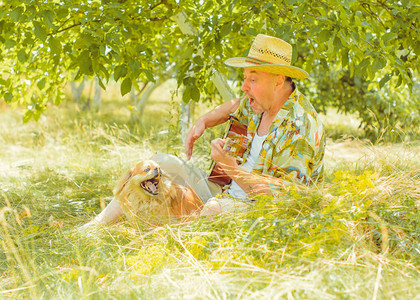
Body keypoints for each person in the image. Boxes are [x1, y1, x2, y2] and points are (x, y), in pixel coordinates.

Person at [83, 34, 325, 226]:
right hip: (223, 189)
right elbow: (233, 106)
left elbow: (287, 199)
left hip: (254, 207)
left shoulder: (299, 127)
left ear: (278, 80)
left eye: (252, 79)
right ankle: (96, 226)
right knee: (157, 164)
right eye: (245, 77)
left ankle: (175, 230)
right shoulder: (259, 102)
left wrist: (230, 166)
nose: (243, 86)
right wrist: (203, 121)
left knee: (210, 210)